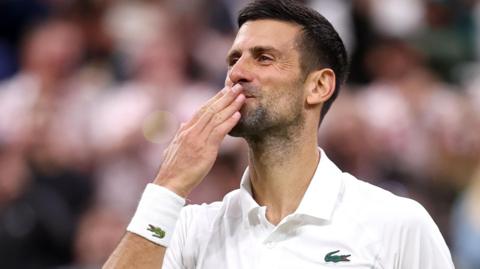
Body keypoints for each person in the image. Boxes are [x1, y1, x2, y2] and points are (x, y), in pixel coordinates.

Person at [104, 0, 454, 268]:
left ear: (318, 86)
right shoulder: (188, 229)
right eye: (233, 59)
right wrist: (168, 186)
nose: (237, 73)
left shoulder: (396, 223)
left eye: (264, 58)